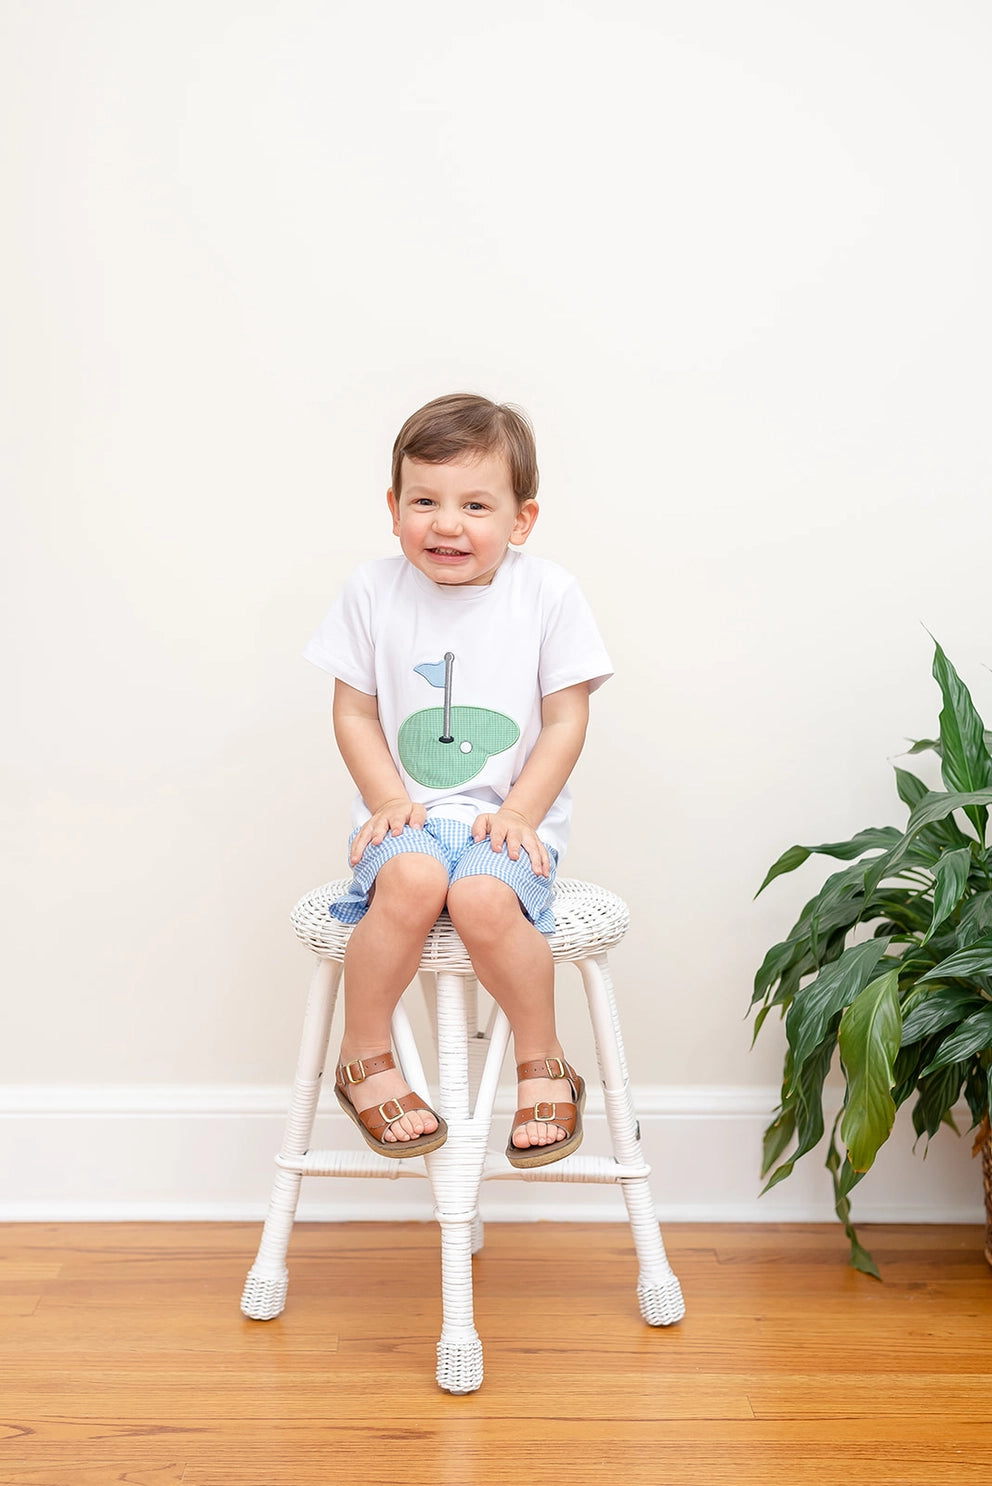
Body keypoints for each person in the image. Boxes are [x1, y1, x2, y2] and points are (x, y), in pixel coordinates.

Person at [304, 393, 612, 1168]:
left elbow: (567, 720)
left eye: (475, 504)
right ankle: (365, 1055)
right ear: (393, 507)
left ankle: (544, 1060)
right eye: (425, 501)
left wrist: (519, 813)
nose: (447, 524)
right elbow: (355, 715)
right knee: (409, 881)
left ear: (521, 519)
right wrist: (388, 801)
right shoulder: (372, 592)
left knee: (479, 895)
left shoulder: (548, 594)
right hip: (407, 814)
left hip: (508, 819)